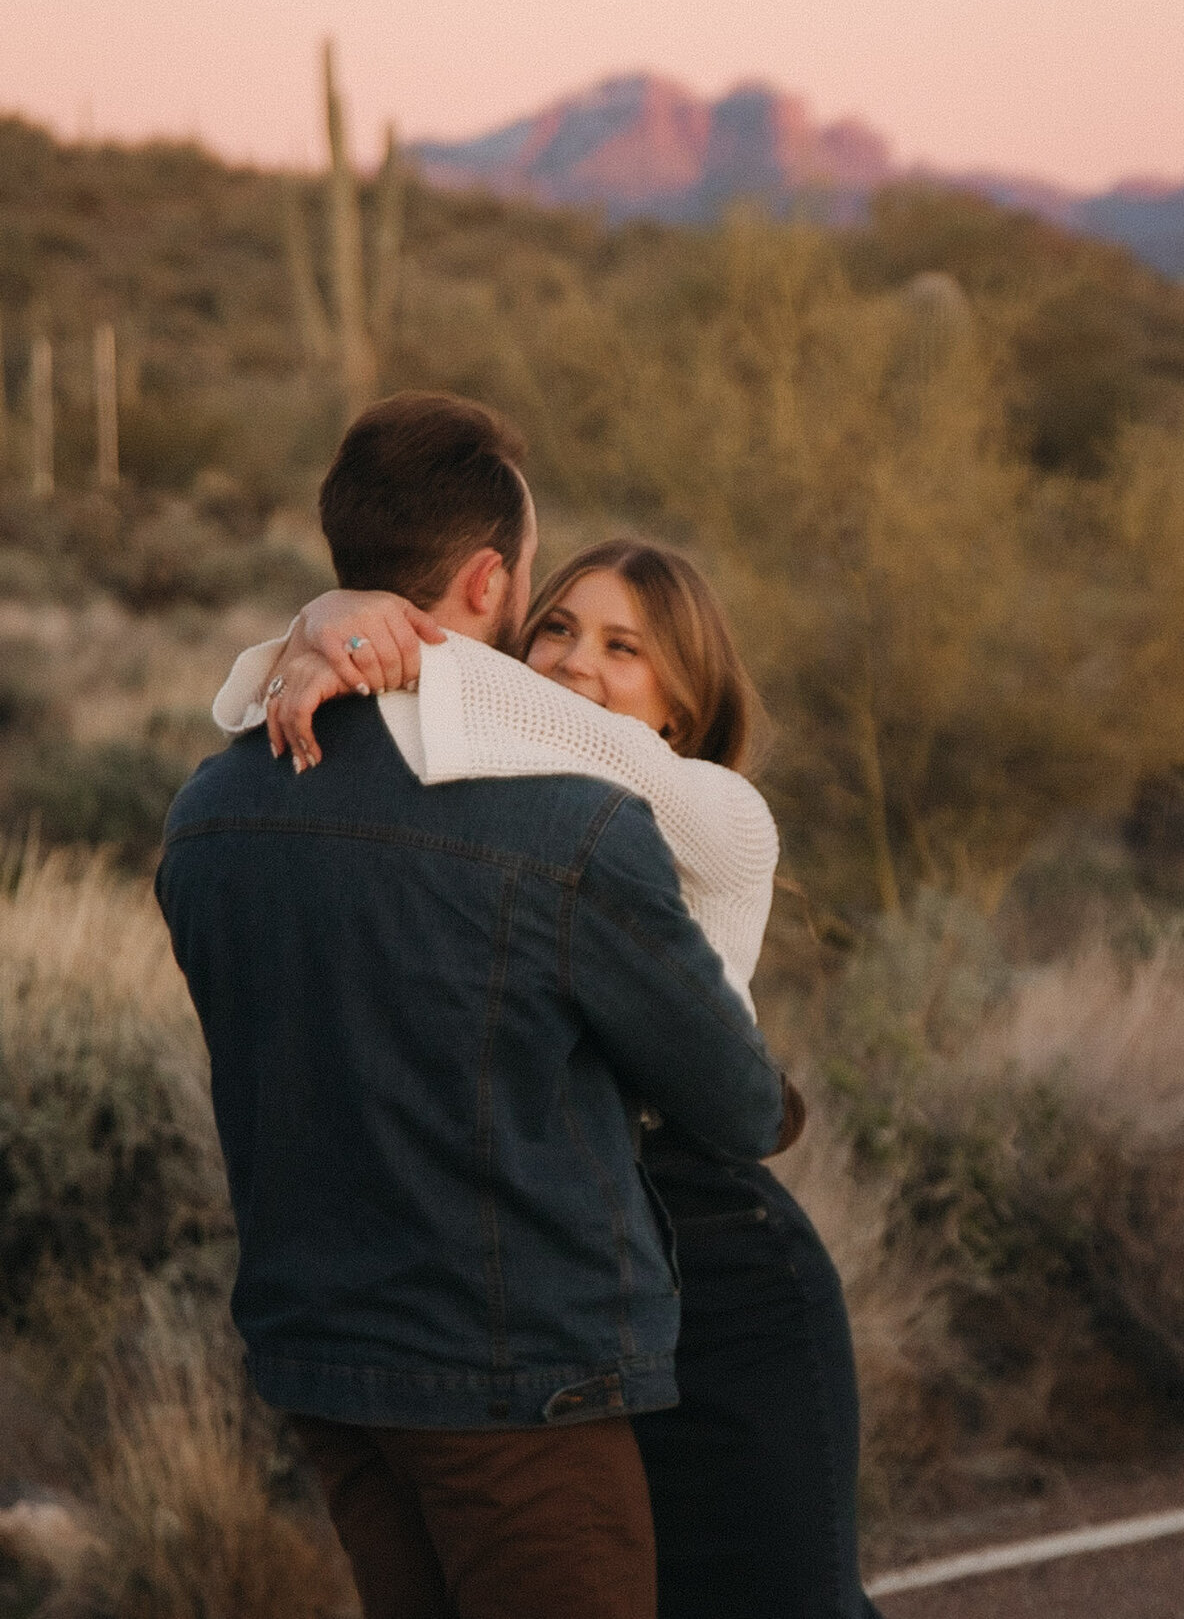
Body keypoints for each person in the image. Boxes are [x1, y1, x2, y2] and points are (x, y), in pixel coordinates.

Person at [158, 392, 802, 1619]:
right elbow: (731, 1097)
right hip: (522, 1382)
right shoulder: (577, 830)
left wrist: (325, 619)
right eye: (552, 616)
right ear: (493, 582)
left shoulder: (211, 810)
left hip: (325, 1362)